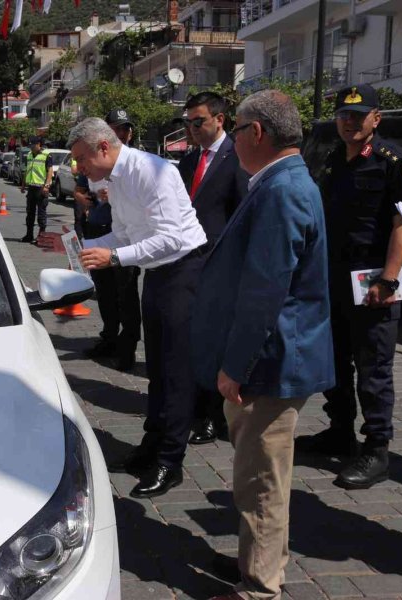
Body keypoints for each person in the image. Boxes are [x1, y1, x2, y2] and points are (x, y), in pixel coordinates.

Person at [191, 90, 334, 600]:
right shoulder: (279, 181)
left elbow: (265, 289)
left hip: (269, 362)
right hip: (269, 357)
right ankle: (256, 561)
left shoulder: (283, 189)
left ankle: (260, 586)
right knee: (256, 476)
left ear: (257, 133)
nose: (230, 141)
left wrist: (235, 365)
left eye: (236, 130)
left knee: (262, 484)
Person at [72, 118, 208, 498]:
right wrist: (91, 247)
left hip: (183, 271)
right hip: (157, 274)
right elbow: (128, 233)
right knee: (159, 370)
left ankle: (170, 460)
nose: (79, 169)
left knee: (177, 370)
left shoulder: (153, 170)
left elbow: (170, 239)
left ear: (103, 147)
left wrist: (113, 257)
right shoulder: (113, 180)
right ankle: (151, 446)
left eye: (82, 159)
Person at [297, 83, 402, 490]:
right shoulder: (332, 159)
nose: (349, 122)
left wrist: (388, 277)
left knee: (373, 368)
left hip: (373, 281)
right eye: (344, 115)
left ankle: (377, 449)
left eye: (359, 115)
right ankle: (339, 431)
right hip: (332, 278)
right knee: (334, 361)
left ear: (376, 119)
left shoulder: (391, 161)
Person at [177, 92, 250, 445]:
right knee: (195, 340)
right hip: (188, 264)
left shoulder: (237, 158)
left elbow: (242, 215)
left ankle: (212, 415)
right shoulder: (189, 161)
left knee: (215, 341)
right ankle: (198, 408)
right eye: (188, 121)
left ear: (220, 119)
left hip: (220, 265)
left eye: (198, 121)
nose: (191, 128)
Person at [77, 108, 142, 371]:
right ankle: (109, 337)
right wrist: (84, 198)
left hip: (124, 236)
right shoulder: (93, 161)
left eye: (125, 128)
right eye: (117, 128)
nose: (122, 133)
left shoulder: (138, 163)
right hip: (98, 230)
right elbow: (80, 189)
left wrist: (113, 195)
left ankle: (127, 347)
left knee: (125, 294)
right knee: (104, 291)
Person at [19, 136, 55, 243]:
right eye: (30, 145)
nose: (31, 147)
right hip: (31, 188)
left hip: (41, 188)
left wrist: (47, 186)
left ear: (39, 144)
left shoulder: (46, 155)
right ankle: (29, 235)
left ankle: (41, 237)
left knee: (41, 214)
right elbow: (27, 170)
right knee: (30, 213)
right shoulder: (30, 155)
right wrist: (23, 184)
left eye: (33, 145)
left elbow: (50, 171)